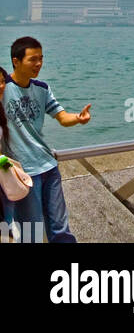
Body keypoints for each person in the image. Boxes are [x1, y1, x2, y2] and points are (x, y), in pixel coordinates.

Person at [1, 37, 91, 243]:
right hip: (22, 173)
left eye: (41, 59)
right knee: (30, 232)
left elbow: (61, 117)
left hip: (49, 167)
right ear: (16, 61)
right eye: (33, 60)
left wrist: (78, 118)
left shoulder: (42, 88)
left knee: (60, 229)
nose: (39, 64)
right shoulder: (3, 88)